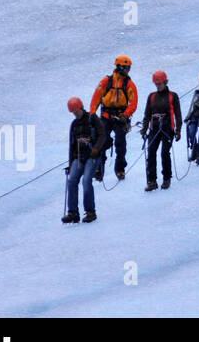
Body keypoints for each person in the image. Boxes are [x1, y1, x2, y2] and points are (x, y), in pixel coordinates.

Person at [89, 54, 137, 182]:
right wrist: (92, 114)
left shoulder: (129, 84)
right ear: (120, 67)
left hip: (120, 118)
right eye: (127, 68)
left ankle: (120, 168)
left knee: (120, 144)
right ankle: (99, 169)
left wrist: (126, 115)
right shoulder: (106, 82)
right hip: (105, 116)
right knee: (101, 141)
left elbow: (133, 102)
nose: (128, 71)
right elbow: (96, 97)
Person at [63, 97, 107, 224]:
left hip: (93, 156)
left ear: (81, 108)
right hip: (79, 157)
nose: (75, 114)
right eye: (73, 112)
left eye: (76, 111)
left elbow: (102, 135)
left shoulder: (93, 119)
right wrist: (71, 164)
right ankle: (72, 213)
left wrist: (96, 149)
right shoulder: (74, 125)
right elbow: (72, 146)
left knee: (86, 180)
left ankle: (90, 212)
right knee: (71, 180)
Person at [141, 70, 181, 192]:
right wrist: (144, 128)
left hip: (167, 129)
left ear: (165, 82)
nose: (158, 86)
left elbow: (178, 115)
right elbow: (147, 114)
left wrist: (178, 130)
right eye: (156, 84)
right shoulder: (152, 96)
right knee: (151, 153)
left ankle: (166, 178)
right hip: (154, 129)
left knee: (164, 153)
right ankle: (152, 181)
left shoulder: (173, 96)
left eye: (160, 83)